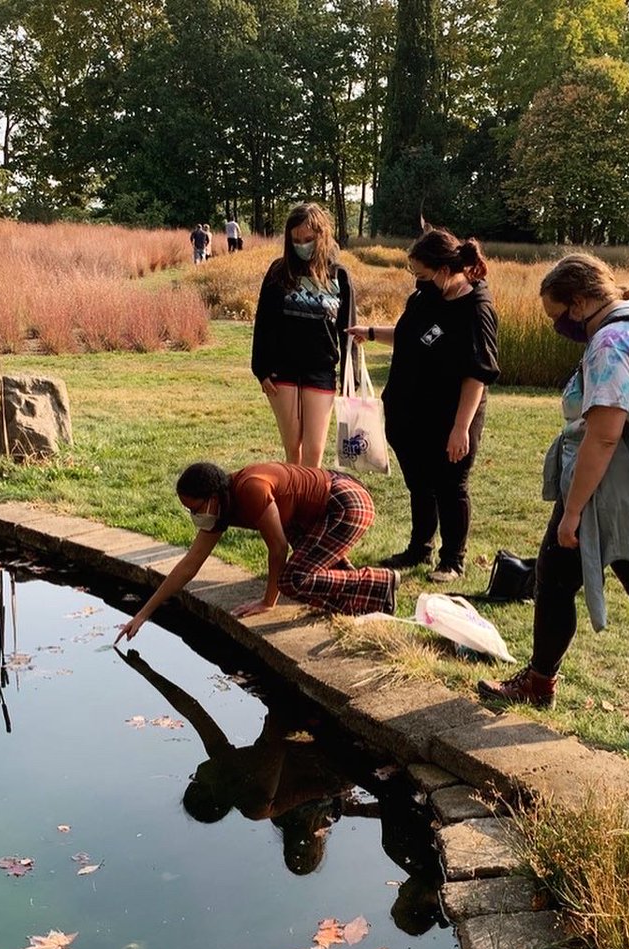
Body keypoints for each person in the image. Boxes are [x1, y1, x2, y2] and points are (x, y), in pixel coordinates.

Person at [477, 252, 629, 744]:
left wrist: (572, 511)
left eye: (560, 315)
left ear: (582, 300)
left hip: (612, 485)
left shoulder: (611, 340)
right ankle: (544, 680)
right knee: (561, 578)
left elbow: (604, 436)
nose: (560, 327)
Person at [348, 228, 498, 583]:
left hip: (450, 415)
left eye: (422, 274)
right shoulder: (425, 298)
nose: (417, 282)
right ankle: (419, 548)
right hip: (408, 411)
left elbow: (477, 375)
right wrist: (369, 333)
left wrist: (461, 428)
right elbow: (408, 335)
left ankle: (452, 560)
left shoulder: (476, 311)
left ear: (445, 270)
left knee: (451, 484)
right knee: (419, 484)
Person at [113, 460, 397, 643]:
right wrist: (142, 614)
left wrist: (269, 601)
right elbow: (190, 565)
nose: (193, 515)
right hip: (312, 515)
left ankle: (380, 582)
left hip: (346, 502)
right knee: (310, 577)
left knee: (294, 580)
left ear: (212, 497)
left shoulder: (250, 489)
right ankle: (369, 602)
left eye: (194, 509)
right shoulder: (218, 509)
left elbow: (278, 547)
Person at [251, 202, 356, 468]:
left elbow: (348, 330)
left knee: (313, 453)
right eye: (296, 240)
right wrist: (260, 369)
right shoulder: (278, 272)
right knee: (293, 452)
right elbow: (263, 322)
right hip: (281, 370)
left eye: (308, 239)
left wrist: (349, 376)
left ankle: (311, 506)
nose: (302, 245)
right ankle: (293, 506)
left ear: (322, 236)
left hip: (320, 369)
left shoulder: (339, 275)